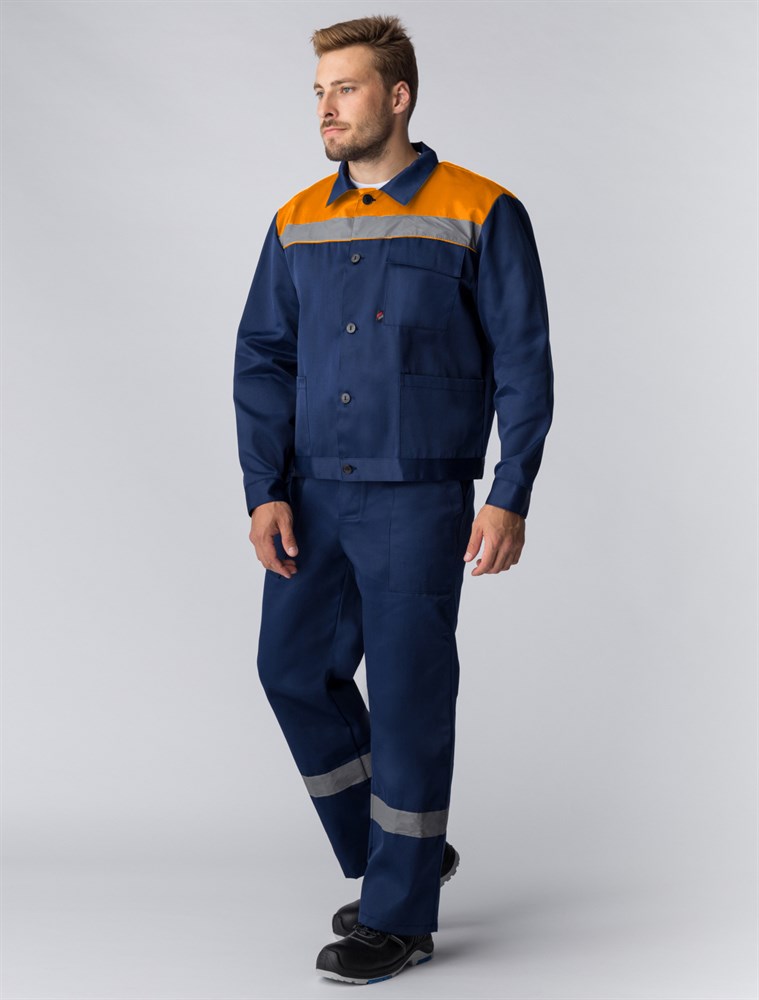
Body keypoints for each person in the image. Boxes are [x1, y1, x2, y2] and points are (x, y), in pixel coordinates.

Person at [232, 13, 554, 985]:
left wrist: (510, 491)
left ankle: (399, 917)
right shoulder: (296, 219)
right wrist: (263, 489)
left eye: (346, 89)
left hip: (419, 497)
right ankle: (398, 853)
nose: (326, 109)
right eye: (318, 92)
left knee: (410, 697)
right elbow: (264, 358)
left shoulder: (481, 209)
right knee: (292, 672)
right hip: (311, 495)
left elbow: (523, 363)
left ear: (398, 96)